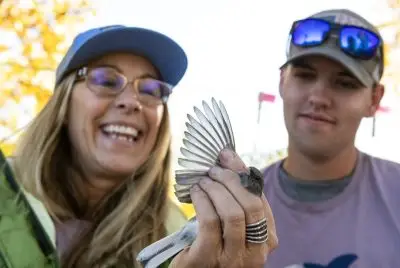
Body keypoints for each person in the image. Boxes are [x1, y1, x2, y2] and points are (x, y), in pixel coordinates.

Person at [1, 24, 277, 267]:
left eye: (150, 90)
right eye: (106, 81)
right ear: (62, 104)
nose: (132, 101)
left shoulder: (183, 236)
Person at [262, 9, 400, 268]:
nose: (318, 97)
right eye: (305, 76)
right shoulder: (234, 206)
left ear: (374, 100)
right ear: (282, 82)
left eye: (345, 83)